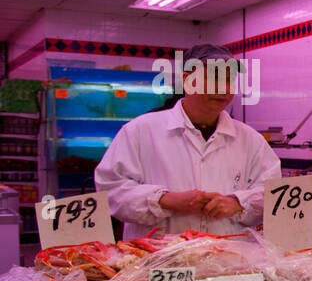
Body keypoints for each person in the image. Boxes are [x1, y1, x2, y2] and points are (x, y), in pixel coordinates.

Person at [95, 43, 280, 239]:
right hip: (157, 262)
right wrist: (164, 200)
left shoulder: (251, 139)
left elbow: (273, 193)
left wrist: (238, 202)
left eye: (230, 79)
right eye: (214, 78)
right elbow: (110, 189)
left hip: (229, 260)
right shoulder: (139, 131)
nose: (225, 89)